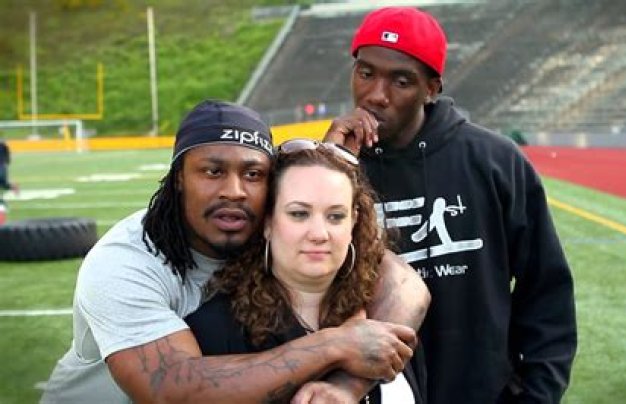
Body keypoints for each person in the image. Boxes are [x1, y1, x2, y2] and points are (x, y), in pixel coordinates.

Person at [41, 100, 430, 403]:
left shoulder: (261, 224)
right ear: (178, 179)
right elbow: (170, 389)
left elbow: (404, 283)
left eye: (253, 174)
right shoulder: (125, 261)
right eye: (213, 172)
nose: (234, 191)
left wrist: (350, 383)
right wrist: (335, 344)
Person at [324, 7, 577, 403]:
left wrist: (537, 395)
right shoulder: (333, 167)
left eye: (401, 81)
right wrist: (330, 167)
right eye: (366, 73)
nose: (376, 95)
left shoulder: (495, 161)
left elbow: (546, 290)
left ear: (432, 88)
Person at [186, 139, 425, 403]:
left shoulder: (384, 312)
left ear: (354, 222)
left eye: (335, 216)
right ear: (268, 222)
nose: (319, 234)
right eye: (299, 214)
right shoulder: (214, 330)